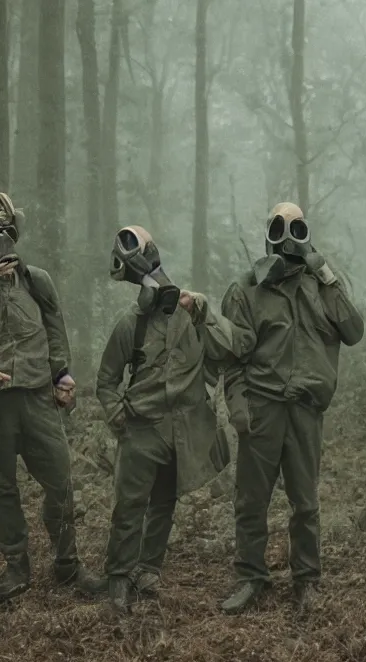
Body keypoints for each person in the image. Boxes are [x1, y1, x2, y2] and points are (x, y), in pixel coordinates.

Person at [96, 226, 251, 613]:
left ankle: (148, 570)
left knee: (163, 503)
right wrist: (120, 421)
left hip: (181, 431)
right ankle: (119, 578)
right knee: (130, 505)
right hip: (141, 429)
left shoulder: (191, 315)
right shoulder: (130, 323)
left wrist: (203, 312)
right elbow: (106, 380)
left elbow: (231, 348)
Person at [220, 202, 364, 616]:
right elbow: (232, 358)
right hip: (263, 407)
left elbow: (353, 331)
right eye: (280, 226)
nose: (289, 235)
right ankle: (250, 577)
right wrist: (239, 408)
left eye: (297, 226)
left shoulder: (321, 285)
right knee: (251, 500)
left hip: (305, 409)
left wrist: (325, 272)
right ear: (267, 233)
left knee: (306, 502)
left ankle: (307, 580)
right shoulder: (246, 289)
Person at [0, 192, 105, 601]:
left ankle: (68, 564)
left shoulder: (36, 280)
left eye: (1, 232)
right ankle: (17, 567)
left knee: (61, 478)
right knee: (3, 487)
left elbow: (55, 328)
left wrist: (62, 374)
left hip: (38, 397)